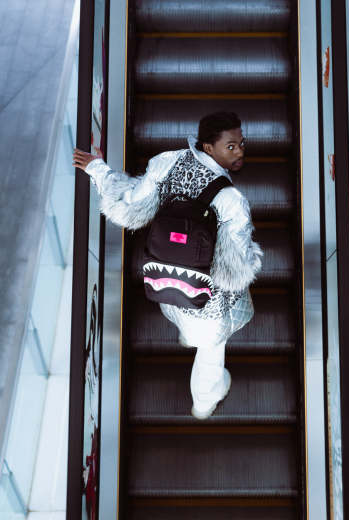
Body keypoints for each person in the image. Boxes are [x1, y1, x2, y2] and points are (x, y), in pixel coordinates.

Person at [72, 111, 263, 419]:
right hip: (207, 306)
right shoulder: (231, 201)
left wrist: (97, 169)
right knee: (211, 354)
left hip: (165, 281)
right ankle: (204, 402)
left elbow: (129, 205)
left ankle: (188, 335)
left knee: (186, 319)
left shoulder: (167, 161)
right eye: (231, 146)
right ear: (208, 147)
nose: (240, 151)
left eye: (242, 143)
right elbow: (235, 272)